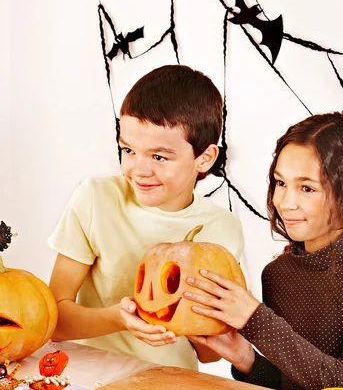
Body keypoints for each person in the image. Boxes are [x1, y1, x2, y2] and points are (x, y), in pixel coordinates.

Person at [184, 111, 343, 390]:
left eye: (306, 188)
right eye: (280, 183)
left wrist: (254, 319)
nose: (285, 203)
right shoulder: (277, 274)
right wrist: (244, 357)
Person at [48, 65, 244, 370]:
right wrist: (119, 319)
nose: (139, 170)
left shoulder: (222, 228)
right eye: (128, 150)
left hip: (171, 386)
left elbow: (209, 353)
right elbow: (54, 320)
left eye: (159, 157)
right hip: (88, 380)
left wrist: (221, 324)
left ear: (204, 158)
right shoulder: (96, 200)